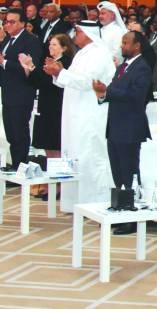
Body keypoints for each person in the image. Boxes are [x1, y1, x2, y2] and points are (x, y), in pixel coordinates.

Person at [47, 20, 115, 213]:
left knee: (89, 156)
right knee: (74, 154)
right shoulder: (82, 53)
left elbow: (88, 82)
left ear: (88, 33)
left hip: (90, 114)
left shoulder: (99, 54)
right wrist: (56, 74)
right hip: (74, 113)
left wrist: (61, 72)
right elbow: (69, 80)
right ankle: (74, 203)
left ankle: (92, 204)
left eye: (78, 31)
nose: (75, 35)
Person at [93, 31, 152, 234]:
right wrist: (103, 93)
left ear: (137, 46)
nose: (122, 46)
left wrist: (108, 91)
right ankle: (121, 209)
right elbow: (114, 90)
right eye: (122, 42)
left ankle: (132, 216)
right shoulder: (123, 67)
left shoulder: (142, 67)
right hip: (115, 126)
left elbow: (136, 96)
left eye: (126, 43)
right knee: (117, 171)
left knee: (129, 172)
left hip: (130, 127)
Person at [0, 9, 42, 169]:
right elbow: (4, 65)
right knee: (11, 132)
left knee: (19, 132)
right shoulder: (8, 40)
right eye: (6, 21)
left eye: (12, 22)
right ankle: (16, 164)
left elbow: (30, 68)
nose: (7, 24)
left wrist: (2, 62)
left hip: (22, 93)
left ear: (22, 23)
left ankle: (21, 166)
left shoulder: (31, 41)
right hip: (8, 92)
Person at [21, 33, 74, 168]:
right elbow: (37, 80)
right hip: (44, 105)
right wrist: (30, 67)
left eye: (54, 45)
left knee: (55, 144)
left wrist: (47, 72)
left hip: (57, 107)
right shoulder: (50, 61)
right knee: (46, 143)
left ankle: (58, 178)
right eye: (50, 44)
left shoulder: (66, 63)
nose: (50, 47)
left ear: (64, 48)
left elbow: (54, 83)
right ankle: (51, 176)